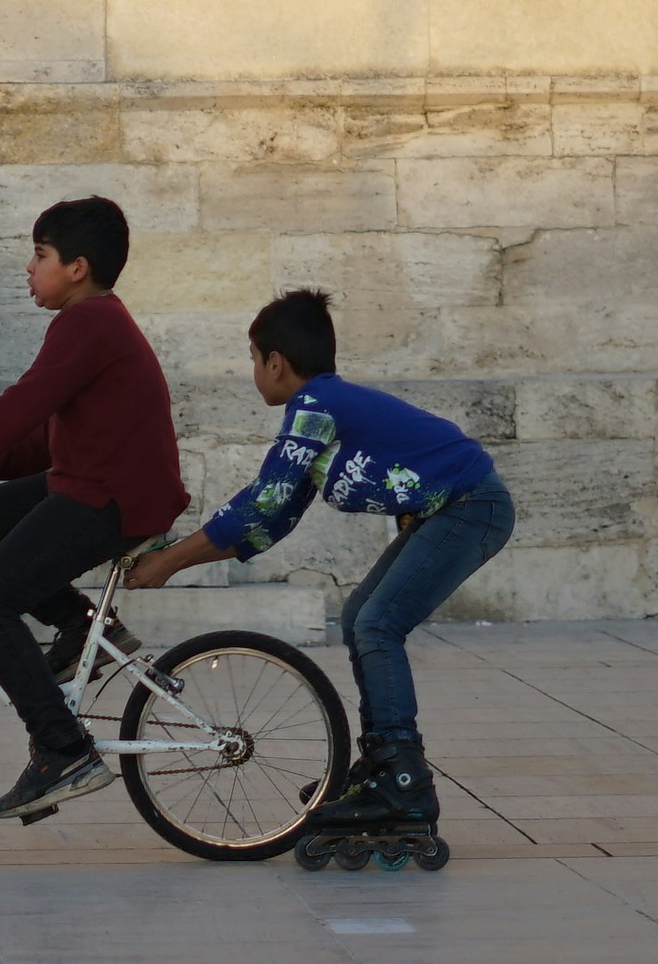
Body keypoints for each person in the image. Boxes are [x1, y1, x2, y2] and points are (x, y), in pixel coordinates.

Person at [123, 289, 515, 865]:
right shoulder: (323, 409)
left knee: (378, 624)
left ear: (275, 361)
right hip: (455, 506)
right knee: (362, 618)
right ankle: (383, 765)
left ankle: (403, 780)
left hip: (470, 506)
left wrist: (168, 560)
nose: (253, 371)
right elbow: (272, 519)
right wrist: (175, 561)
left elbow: (260, 503)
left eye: (253, 359)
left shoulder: (315, 406)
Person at [0, 195, 186, 823]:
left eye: (40, 255)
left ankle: (63, 748)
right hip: (95, 482)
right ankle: (86, 625)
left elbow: (20, 408)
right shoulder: (92, 322)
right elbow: (38, 440)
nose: (29, 269)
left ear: (76, 267)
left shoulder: (89, 323)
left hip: (113, 497)